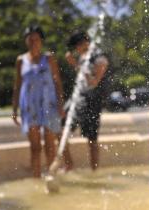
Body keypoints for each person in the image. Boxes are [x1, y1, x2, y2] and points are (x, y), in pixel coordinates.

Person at [12, 25, 65, 178]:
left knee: (50, 145)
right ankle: (36, 178)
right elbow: (17, 85)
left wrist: (61, 105)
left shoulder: (49, 58)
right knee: (35, 147)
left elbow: (58, 83)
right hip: (29, 106)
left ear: (41, 41)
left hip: (49, 104)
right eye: (30, 39)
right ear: (26, 41)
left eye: (36, 39)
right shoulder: (20, 60)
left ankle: (50, 177)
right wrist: (14, 110)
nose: (33, 42)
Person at [64, 31, 109, 171]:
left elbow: (94, 82)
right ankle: (68, 165)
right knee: (60, 129)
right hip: (77, 100)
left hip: (91, 102)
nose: (75, 50)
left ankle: (94, 171)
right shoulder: (83, 58)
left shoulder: (99, 57)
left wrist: (75, 65)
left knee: (91, 138)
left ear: (83, 43)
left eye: (75, 46)